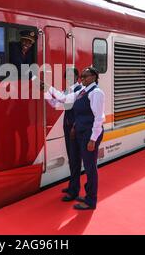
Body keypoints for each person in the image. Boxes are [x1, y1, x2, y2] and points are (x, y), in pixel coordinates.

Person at [47, 67, 105, 210]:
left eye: (85, 76)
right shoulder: (81, 92)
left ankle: (91, 200)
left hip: (89, 133)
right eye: (82, 76)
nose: (82, 79)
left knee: (90, 167)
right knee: (84, 163)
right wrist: (47, 89)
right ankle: (86, 195)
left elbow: (99, 118)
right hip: (81, 131)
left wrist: (93, 139)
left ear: (94, 77)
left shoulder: (96, 93)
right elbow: (63, 99)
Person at [45, 68, 83, 200]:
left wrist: (47, 87)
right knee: (71, 158)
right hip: (68, 127)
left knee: (75, 159)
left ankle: (74, 191)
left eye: (71, 76)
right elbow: (55, 104)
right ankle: (72, 185)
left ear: (78, 77)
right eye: (66, 77)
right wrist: (46, 93)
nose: (68, 79)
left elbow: (62, 99)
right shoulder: (69, 90)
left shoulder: (79, 91)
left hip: (74, 128)